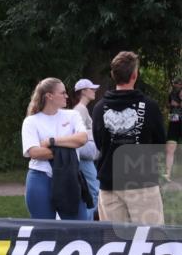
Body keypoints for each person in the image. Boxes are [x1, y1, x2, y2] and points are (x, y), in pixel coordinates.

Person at [92, 51, 167, 225]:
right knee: (150, 237)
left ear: (113, 75)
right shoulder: (150, 106)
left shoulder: (99, 108)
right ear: (135, 75)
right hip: (142, 183)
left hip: (110, 183)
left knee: (114, 239)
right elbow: (159, 143)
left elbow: (99, 143)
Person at [21, 78, 89, 220]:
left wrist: (51, 141)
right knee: (44, 229)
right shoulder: (31, 121)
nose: (67, 96)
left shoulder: (72, 115)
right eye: (62, 93)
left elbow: (82, 138)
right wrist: (69, 147)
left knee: (79, 228)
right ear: (49, 96)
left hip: (69, 177)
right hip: (40, 178)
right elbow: (34, 152)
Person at [71, 78, 101, 219]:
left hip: (86, 156)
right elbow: (76, 134)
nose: (94, 91)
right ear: (83, 91)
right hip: (83, 157)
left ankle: (88, 222)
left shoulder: (82, 109)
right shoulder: (80, 110)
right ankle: (88, 225)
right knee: (93, 190)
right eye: (91, 88)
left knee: (92, 189)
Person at [166, 76, 181, 181]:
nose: (176, 85)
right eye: (175, 83)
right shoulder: (172, 93)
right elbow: (169, 105)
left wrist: (177, 105)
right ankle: (167, 174)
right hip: (174, 119)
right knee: (170, 148)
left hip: (177, 119)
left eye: (177, 83)